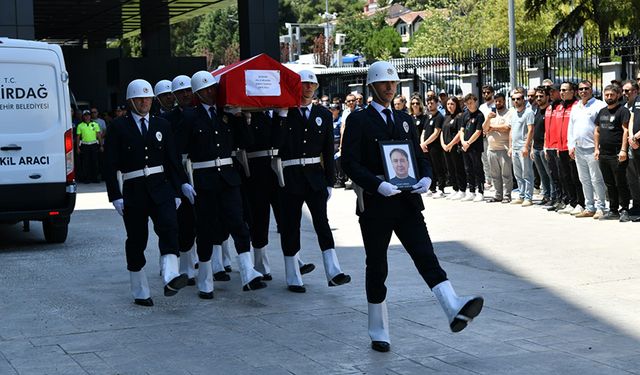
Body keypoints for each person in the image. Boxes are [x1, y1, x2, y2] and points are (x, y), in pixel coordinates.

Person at [341, 60, 483, 353]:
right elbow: (349, 163)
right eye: (384, 83)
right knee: (377, 265)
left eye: (393, 83)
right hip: (376, 202)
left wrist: (427, 177)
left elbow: (419, 156)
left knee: (426, 255)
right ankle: (378, 329)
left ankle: (452, 307)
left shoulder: (404, 119)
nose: (390, 88)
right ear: (372, 86)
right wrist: (376, 184)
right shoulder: (358, 120)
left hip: (406, 200)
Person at [103, 79, 190, 306]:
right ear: (131, 101)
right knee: (137, 239)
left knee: (170, 227)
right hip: (134, 190)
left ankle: (170, 275)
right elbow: (109, 165)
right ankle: (140, 289)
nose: (145, 103)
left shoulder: (162, 125)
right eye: (140, 99)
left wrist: (180, 187)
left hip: (161, 187)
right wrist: (115, 196)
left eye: (148, 98)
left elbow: (172, 160)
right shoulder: (118, 127)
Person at [180, 71, 267, 298]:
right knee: (207, 229)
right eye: (207, 89)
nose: (212, 92)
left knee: (238, 223)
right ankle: (205, 280)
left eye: (213, 88)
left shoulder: (225, 114)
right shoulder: (190, 117)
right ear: (198, 92)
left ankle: (248, 272)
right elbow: (179, 153)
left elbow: (246, 142)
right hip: (204, 179)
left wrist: (239, 118)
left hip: (228, 177)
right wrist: (183, 183)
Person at [277, 70, 350, 293]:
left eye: (311, 84)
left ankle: (333, 271)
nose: (307, 87)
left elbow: (328, 151)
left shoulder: (324, 114)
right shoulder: (285, 112)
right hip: (291, 176)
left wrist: (329, 181)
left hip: (315, 177)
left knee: (322, 224)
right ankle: (293, 276)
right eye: (304, 84)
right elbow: (276, 143)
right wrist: (279, 117)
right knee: (291, 226)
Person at [159, 75, 198, 285]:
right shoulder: (167, 120)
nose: (185, 95)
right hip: (175, 172)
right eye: (180, 92)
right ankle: (185, 268)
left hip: (199, 170)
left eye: (188, 91)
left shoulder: (199, 114)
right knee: (182, 222)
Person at [567, 80, 607, 218]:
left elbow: (602, 127)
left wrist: (599, 147)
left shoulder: (599, 105)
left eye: (586, 88)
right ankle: (589, 207)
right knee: (584, 179)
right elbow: (571, 128)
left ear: (592, 90)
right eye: (581, 89)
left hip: (593, 148)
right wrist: (571, 145)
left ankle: (601, 207)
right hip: (579, 148)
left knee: (596, 179)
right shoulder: (576, 106)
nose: (583, 91)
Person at [594, 84, 631, 222]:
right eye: (607, 94)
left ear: (618, 95)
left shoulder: (622, 111)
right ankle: (613, 210)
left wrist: (623, 150)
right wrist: (596, 149)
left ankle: (625, 209)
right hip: (603, 153)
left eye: (612, 95)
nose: (609, 97)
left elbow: (626, 130)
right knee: (609, 183)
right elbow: (597, 130)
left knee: (620, 182)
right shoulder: (602, 111)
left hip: (617, 153)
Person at [482, 93, 513, 203]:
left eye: (500, 101)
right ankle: (498, 194)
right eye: (496, 101)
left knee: (506, 174)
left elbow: (506, 128)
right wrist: (488, 119)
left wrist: (493, 128)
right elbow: (485, 129)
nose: (498, 103)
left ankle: (507, 195)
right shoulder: (491, 114)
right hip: (491, 149)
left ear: (504, 101)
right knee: (494, 174)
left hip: (503, 149)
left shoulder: (509, 113)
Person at [509, 90, 535, 207]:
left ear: (523, 99)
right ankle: (521, 194)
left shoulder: (528, 112)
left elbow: (531, 130)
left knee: (527, 173)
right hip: (514, 148)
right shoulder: (513, 113)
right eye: (514, 99)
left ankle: (528, 197)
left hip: (523, 147)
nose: (516, 101)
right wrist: (510, 147)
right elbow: (511, 131)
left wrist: (526, 146)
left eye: (518, 99)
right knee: (517, 173)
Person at [531, 86, 556, 206]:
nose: (538, 98)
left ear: (547, 97)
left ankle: (554, 196)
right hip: (536, 147)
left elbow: (549, 130)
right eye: (537, 96)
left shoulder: (550, 110)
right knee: (542, 175)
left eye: (541, 96)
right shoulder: (536, 110)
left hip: (545, 148)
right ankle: (546, 196)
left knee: (551, 174)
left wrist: (546, 147)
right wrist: (531, 147)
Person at [459, 93, 486, 202]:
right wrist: (463, 142)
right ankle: (471, 191)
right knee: (468, 169)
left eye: (471, 103)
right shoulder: (465, 115)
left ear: (475, 101)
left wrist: (468, 143)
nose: (469, 105)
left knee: (477, 168)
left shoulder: (480, 115)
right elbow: (461, 130)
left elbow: (478, 131)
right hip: (465, 146)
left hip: (475, 147)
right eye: (467, 103)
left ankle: (480, 191)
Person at [441, 97, 467, 200]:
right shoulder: (446, 117)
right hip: (446, 147)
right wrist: (443, 144)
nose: (450, 106)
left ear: (456, 105)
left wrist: (451, 144)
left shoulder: (459, 116)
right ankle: (455, 188)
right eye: (448, 104)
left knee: (458, 168)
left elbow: (460, 132)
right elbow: (442, 132)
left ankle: (462, 189)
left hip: (455, 146)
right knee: (450, 168)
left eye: (452, 104)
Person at [421, 96, 447, 197]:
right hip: (426, 147)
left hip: (435, 147)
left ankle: (441, 188)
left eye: (432, 103)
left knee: (438, 167)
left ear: (437, 104)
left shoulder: (439, 117)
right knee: (430, 168)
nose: (430, 105)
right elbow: (423, 131)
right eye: (428, 103)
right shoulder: (428, 116)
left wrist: (425, 143)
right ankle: (432, 188)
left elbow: (436, 133)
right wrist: (422, 143)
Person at [76, 110, 103, 183]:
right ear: (83, 116)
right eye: (85, 115)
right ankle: (87, 178)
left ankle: (95, 178)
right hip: (85, 145)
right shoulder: (80, 125)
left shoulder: (95, 124)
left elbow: (99, 135)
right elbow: (78, 137)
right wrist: (77, 147)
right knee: (85, 163)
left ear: (90, 116)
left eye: (88, 115)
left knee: (95, 162)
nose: (87, 117)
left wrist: (101, 145)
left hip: (94, 145)